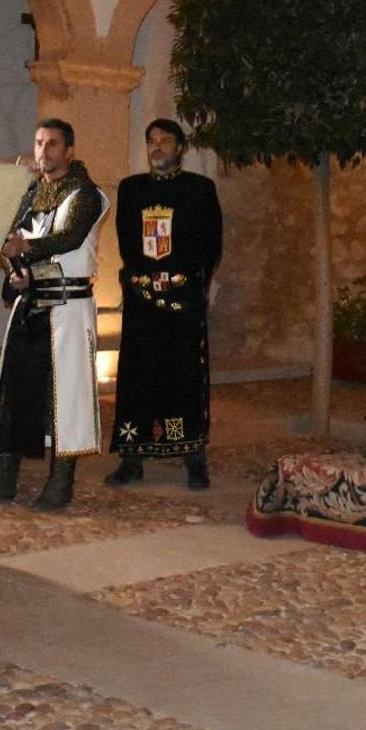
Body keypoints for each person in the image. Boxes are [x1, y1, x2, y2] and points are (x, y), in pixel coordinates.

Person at [0, 119, 109, 511]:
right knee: (17, 389)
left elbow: (70, 237)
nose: (44, 150)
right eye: (39, 142)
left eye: (53, 143)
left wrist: (24, 247)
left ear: (69, 150)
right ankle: (2, 478)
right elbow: (10, 241)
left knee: (67, 398)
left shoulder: (86, 194)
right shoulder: (31, 193)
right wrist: (17, 273)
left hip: (69, 310)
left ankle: (61, 485)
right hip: (31, 306)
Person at [105, 119, 222, 489]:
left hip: (182, 302)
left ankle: (191, 455)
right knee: (139, 378)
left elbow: (211, 244)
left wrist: (186, 282)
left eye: (165, 140)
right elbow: (127, 240)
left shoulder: (199, 189)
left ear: (180, 147)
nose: (157, 147)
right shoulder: (132, 189)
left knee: (182, 378)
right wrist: (146, 279)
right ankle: (132, 457)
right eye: (151, 141)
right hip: (142, 301)